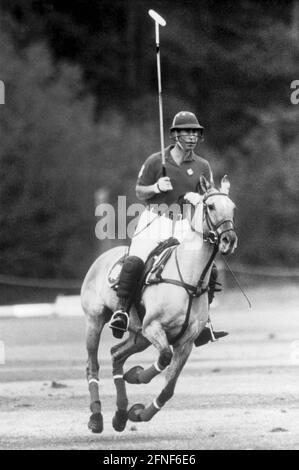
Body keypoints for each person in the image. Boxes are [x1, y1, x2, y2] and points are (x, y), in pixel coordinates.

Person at [109, 111, 226, 343]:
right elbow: (139, 191)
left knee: (209, 269)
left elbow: (209, 196)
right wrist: (155, 187)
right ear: (175, 135)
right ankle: (122, 311)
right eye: (187, 131)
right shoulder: (156, 161)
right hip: (156, 220)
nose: (192, 136)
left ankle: (204, 320)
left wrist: (206, 196)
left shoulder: (203, 165)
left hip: (185, 224)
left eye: (195, 132)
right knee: (135, 261)